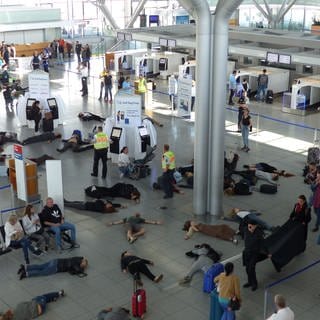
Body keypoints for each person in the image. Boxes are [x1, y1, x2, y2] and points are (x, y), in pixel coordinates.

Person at [0, 290, 65, 320]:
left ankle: (53, 298)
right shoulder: (19, 305)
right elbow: (29, 302)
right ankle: (59, 293)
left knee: (40, 299)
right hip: (40, 306)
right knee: (43, 296)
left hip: (39, 311)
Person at [242, 220, 266, 291]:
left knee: (251, 268)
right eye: (249, 225)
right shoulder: (246, 229)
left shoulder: (259, 233)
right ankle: (249, 282)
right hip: (247, 252)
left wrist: (267, 253)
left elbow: (262, 243)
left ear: (255, 226)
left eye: (251, 225)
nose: (250, 226)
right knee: (247, 268)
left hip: (254, 254)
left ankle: (254, 283)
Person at [17, 256, 88, 280]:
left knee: (40, 266)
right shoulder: (76, 264)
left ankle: (25, 268)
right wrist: (82, 269)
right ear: (82, 262)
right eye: (83, 264)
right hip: (56, 267)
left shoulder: (77, 258)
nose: (82, 265)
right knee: (42, 272)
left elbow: (71, 272)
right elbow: (76, 270)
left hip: (56, 261)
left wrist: (81, 266)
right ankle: (26, 274)